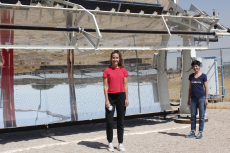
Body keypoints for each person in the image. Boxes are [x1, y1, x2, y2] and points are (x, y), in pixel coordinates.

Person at [103, 50, 129, 151]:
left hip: (121, 96)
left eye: (117, 58)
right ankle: (110, 143)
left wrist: (126, 98)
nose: (115, 59)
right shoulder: (107, 70)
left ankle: (120, 143)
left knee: (120, 121)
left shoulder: (123, 70)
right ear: (111, 59)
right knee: (109, 121)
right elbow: (105, 86)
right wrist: (106, 100)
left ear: (119, 59)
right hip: (110, 97)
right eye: (113, 58)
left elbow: (126, 85)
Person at [185, 60, 208, 139]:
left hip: (201, 97)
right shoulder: (191, 76)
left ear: (199, 66)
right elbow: (190, 88)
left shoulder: (203, 76)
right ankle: (192, 131)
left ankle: (200, 132)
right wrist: (188, 99)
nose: (195, 68)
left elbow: (206, 87)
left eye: (196, 66)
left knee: (201, 116)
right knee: (193, 115)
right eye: (194, 66)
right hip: (193, 98)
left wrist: (206, 98)